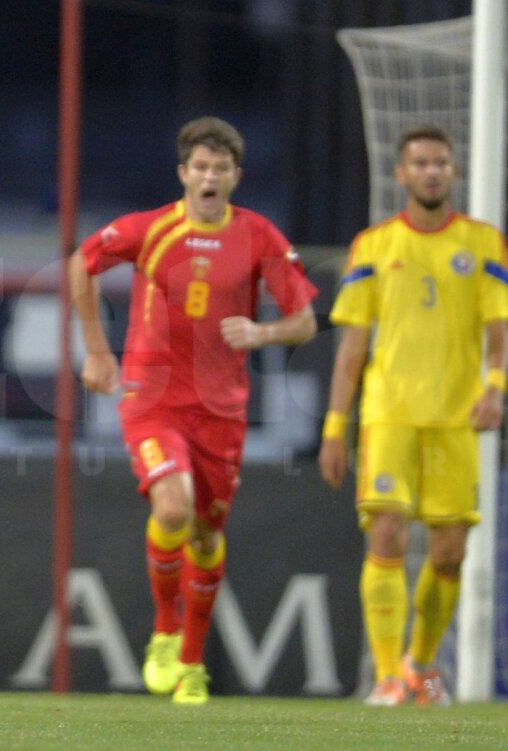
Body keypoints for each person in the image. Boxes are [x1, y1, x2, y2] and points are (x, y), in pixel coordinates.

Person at [70, 117, 318, 704]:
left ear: (235, 176)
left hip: (221, 412)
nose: (210, 177)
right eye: (200, 167)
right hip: (152, 400)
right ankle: (163, 629)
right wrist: (98, 352)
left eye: (221, 168)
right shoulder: (151, 228)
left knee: (206, 537)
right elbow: (82, 264)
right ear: (184, 173)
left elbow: (305, 321)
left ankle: (190, 662)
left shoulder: (258, 236)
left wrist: (261, 334)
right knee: (173, 505)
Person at [319, 124, 508, 706]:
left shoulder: (484, 243)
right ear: (400, 174)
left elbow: (500, 330)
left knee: (449, 551)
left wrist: (495, 388)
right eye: (420, 163)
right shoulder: (373, 245)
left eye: (440, 163)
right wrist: (336, 425)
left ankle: (421, 664)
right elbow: (353, 345)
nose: (431, 171)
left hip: (456, 416)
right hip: (390, 413)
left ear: (453, 172)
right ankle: (385, 675)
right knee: (386, 531)